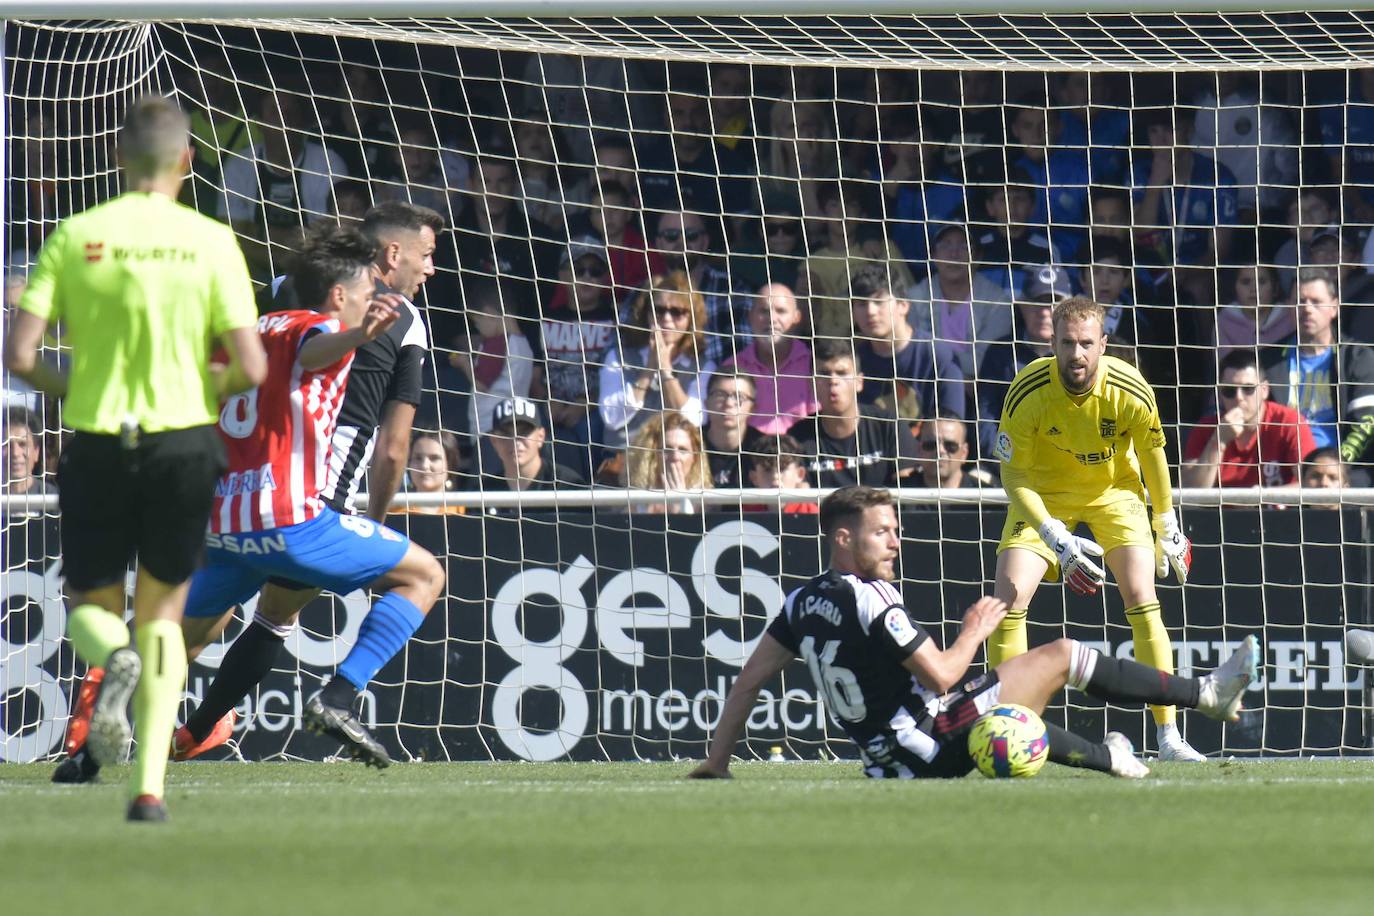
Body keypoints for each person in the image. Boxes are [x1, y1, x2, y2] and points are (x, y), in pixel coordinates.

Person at [3, 96, 268, 820]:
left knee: (91, 604)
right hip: (183, 442)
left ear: (119, 158)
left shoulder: (79, 233)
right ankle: (148, 790)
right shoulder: (213, 242)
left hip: (97, 439)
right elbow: (250, 366)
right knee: (164, 619)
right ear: (187, 160)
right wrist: (199, 386)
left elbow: (20, 355)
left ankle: (109, 652)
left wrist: (78, 385)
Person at [689, 486, 1259, 780]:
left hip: (884, 760)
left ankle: (1119, 752)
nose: (895, 541)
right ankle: (1198, 701)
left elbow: (748, 682)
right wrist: (974, 630)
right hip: (927, 744)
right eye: (882, 532)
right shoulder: (872, 598)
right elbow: (942, 676)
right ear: (842, 539)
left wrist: (717, 761)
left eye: (896, 530)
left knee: (1040, 672)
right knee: (1046, 669)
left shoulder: (800, 600)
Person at [174, 224, 445, 772]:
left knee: (174, 643)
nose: (431, 268)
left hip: (227, 514)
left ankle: (137, 726)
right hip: (304, 512)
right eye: (428, 255)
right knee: (422, 576)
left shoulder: (260, 316)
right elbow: (386, 439)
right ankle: (337, 698)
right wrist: (358, 336)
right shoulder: (340, 324)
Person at [989, 296, 1206, 762]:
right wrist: (1053, 537)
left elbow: (1153, 457)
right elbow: (1013, 475)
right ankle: (1008, 728)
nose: (1077, 354)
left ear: (1104, 344)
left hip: (1115, 491)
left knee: (1141, 595)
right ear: (1052, 342)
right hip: (1044, 497)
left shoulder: (1131, 388)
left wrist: (1165, 521)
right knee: (1007, 599)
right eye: (1067, 343)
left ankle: (1168, 737)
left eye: (1087, 343)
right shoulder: (1026, 392)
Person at [1264, 268, 1374, 484]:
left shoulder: (1359, 357)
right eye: (1300, 301)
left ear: (1334, 306)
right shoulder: (1267, 360)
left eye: (1316, 301)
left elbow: (1367, 424)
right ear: (1289, 306)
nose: (1306, 309)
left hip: (1344, 470)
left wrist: (1335, 465)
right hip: (1282, 469)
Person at [599, 272, 715, 452]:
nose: (667, 319)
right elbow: (611, 417)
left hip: (675, 461)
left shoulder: (704, 366)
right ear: (647, 314)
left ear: (691, 319)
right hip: (624, 459)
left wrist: (666, 371)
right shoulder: (619, 357)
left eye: (677, 312)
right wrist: (648, 371)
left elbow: (695, 421)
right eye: (659, 310)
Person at [790, 340, 920, 489]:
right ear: (811, 384)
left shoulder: (890, 426)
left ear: (859, 382)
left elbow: (907, 493)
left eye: (842, 373)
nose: (833, 381)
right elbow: (800, 504)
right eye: (824, 374)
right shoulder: (797, 439)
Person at [1182, 349, 1314, 489]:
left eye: (1248, 389)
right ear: (1220, 394)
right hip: (1223, 511)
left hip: (1276, 510)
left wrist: (1262, 497)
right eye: (1229, 390)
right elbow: (1189, 494)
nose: (1238, 397)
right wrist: (1218, 441)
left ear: (1264, 390)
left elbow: (1310, 486)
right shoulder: (1207, 428)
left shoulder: (1288, 422)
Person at [850, 265, 964, 424]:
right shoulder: (852, 362)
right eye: (861, 304)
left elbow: (952, 425)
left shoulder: (939, 356)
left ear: (903, 305)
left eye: (878, 301)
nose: (871, 311)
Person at [905, 223, 1013, 383]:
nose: (954, 254)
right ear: (933, 256)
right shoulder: (914, 298)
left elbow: (986, 361)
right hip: (925, 386)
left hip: (980, 388)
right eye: (945, 246)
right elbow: (911, 356)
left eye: (964, 246)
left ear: (977, 257)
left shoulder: (997, 301)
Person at [720, 284, 819, 436]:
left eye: (781, 311)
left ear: (796, 317)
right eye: (764, 311)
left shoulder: (813, 364)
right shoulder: (732, 368)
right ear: (750, 316)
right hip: (749, 454)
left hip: (803, 453)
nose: (772, 319)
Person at [477, 396, 586, 495]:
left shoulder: (568, 487)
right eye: (506, 434)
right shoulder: (485, 491)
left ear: (541, 437)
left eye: (524, 432)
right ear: (494, 441)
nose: (515, 441)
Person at [625, 410, 712, 514]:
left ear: (695, 457)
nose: (675, 457)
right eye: (667, 450)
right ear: (651, 454)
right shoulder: (633, 500)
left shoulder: (705, 501)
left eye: (683, 450)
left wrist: (680, 503)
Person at [702, 371, 762, 488]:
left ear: (753, 408)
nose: (729, 403)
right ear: (706, 403)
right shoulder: (689, 443)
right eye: (720, 395)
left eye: (739, 397)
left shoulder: (764, 449)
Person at [744, 434, 817, 515]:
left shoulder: (811, 512)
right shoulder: (747, 513)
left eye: (782, 469)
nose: (775, 476)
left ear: (799, 474)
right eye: (767, 470)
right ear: (754, 478)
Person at [401, 429, 465, 514]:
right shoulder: (393, 510)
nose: (425, 466)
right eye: (418, 458)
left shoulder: (465, 510)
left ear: (449, 464)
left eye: (434, 458)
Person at [915, 410, 982, 490]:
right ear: (919, 449)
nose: (940, 450)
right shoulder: (899, 492)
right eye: (931, 444)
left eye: (950, 445)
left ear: (964, 453)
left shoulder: (986, 497)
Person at [2, 405, 51, 498]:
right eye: (6, 444)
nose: (15, 453)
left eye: (23, 444)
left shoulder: (53, 498)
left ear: (36, 452)